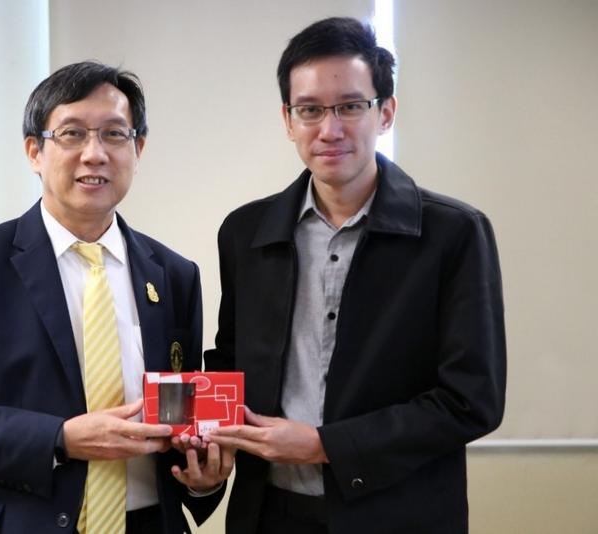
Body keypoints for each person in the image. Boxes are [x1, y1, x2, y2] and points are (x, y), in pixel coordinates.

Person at [0, 61, 230, 534]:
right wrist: (60, 438)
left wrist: (201, 479)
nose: (95, 154)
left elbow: (178, 419)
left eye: (114, 134)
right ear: (34, 151)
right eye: (72, 134)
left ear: (138, 149)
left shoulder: (175, 275)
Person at [203, 17, 506, 534]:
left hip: (398, 514)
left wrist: (325, 446)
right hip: (268, 514)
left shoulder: (453, 233)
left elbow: (470, 400)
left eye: (350, 106)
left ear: (385, 113)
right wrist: (205, 453)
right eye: (310, 110)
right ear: (288, 119)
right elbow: (231, 362)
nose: (330, 129)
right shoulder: (245, 232)